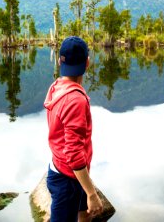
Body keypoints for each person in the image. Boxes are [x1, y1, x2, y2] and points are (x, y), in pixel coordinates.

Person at [44, 36, 103, 222]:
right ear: (87, 63)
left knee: (83, 213)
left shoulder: (57, 87)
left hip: (62, 170)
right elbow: (74, 154)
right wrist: (92, 193)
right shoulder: (75, 100)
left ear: (61, 61)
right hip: (67, 180)